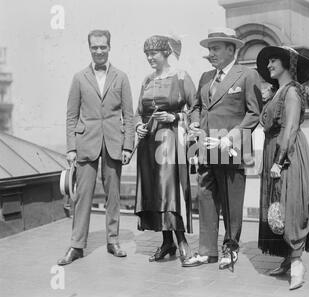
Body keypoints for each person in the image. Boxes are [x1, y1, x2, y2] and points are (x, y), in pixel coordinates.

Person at [182, 28, 262, 270]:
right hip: (206, 148)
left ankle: (231, 248)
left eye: (215, 48)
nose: (211, 53)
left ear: (231, 49)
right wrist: (194, 122)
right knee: (205, 199)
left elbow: (254, 113)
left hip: (230, 149)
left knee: (231, 201)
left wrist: (233, 137)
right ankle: (207, 251)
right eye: (209, 49)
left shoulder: (247, 75)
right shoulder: (206, 77)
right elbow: (195, 106)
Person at [58, 29, 135, 265]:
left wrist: (127, 146)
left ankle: (113, 241)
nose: (99, 51)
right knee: (82, 195)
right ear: (89, 48)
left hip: (113, 142)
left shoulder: (121, 77)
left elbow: (129, 116)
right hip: (85, 142)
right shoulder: (79, 77)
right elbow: (71, 115)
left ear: (109, 47)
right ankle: (76, 245)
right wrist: (71, 147)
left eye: (103, 46)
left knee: (113, 195)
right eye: (94, 47)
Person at [256, 46, 309, 290]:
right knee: (276, 203)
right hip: (274, 148)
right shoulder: (277, 91)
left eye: (273, 61)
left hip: (287, 151)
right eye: (268, 61)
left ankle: (297, 263)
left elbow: (290, 128)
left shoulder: (291, 92)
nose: (269, 65)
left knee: (289, 202)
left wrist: (279, 161)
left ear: (286, 64)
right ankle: (285, 259)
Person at [135, 35, 196, 263]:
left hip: (170, 141)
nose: (150, 58)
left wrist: (175, 116)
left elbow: (197, 107)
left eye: (154, 53)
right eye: (147, 54)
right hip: (149, 144)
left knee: (169, 191)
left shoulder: (181, 77)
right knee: (155, 191)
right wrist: (140, 127)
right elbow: (138, 112)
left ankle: (181, 242)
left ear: (166, 53)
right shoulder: (146, 80)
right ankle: (166, 242)